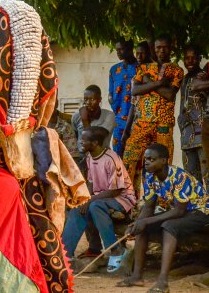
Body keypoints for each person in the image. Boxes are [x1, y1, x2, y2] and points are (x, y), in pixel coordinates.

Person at [118, 143, 209, 292]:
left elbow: (179, 211)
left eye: (151, 159)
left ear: (164, 160)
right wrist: (138, 223)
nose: (146, 162)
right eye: (145, 159)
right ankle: (137, 277)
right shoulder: (149, 176)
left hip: (201, 212)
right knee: (142, 227)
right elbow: (148, 206)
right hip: (183, 212)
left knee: (169, 226)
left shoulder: (179, 177)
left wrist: (146, 221)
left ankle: (163, 281)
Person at [61, 127, 135, 272]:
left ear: (94, 143)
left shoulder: (111, 158)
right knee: (78, 209)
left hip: (122, 198)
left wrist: (91, 200)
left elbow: (117, 189)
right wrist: (85, 199)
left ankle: (115, 250)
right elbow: (90, 182)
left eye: (84, 140)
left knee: (95, 206)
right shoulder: (89, 157)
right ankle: (64, 254)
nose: (80, 142)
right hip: (101, 198)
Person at [123, 35, 183, 186]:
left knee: (162, 163)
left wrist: (148, 83)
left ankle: (162, 202)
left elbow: (170, 94)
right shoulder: (143, 68)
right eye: (158, 47)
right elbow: (135, 90)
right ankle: (128, 200)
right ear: (154, 50)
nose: (162, 50)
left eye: (165, 47)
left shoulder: (177, 70)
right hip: (143, 122)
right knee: (129, 158)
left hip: (164, 124)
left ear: (171, 48)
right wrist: (160, 83)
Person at [178, 46, 206, 183]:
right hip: (187, 135)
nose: (190, 61)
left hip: (203, 134)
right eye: (187, 58)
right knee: (191, 178)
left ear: (199, 59)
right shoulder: (183, 79)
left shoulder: (204, 77)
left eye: (193, 57)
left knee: (207, 175)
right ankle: (197, 204)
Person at [71, 85, 115, 173]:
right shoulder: (76, 116)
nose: (88, 102)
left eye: (92, 99)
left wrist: (85, 120)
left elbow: (95, 140)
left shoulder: (109, 116)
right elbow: (76, 136)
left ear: (99, 100)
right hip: (81, 159)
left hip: (101, 158)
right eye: (86, 99)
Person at [120, 41, 154, 152]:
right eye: (137, 53)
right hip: (137, 125)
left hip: (153, 124)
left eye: (142, 53)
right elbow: (133, 105)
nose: (139, 56)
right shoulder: (137, 74)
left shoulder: (156, 72)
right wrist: (126, 131)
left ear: (149, 54)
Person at [108, 40, 138, 155]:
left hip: (137, 121)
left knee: (135, 157)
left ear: (130, 49)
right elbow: (110, 94)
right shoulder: (114, 70)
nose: (118, 52)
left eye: (121, 49)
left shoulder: (140, 67)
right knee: (118, 156)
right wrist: (114, 105)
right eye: (117, 50)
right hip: (119, 121)